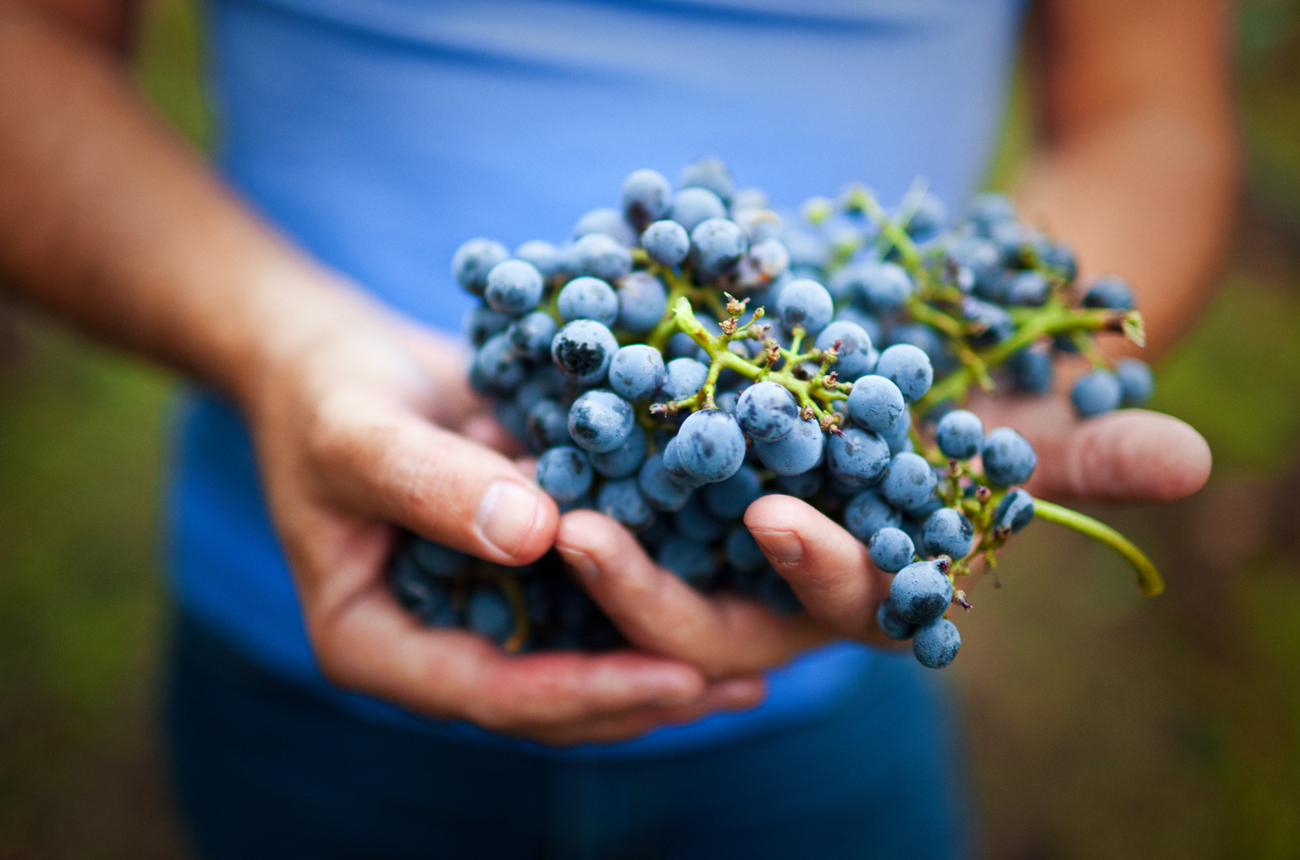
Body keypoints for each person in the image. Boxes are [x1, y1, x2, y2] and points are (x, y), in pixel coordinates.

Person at [0, 0, 1234, 856]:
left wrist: (1009, 344)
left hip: (813, 690)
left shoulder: (815, 396)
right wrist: (282, 347)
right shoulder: (625, 353)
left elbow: (1148, 117)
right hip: (319, 606)